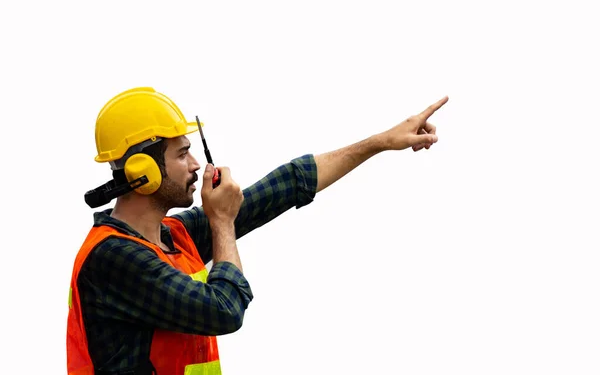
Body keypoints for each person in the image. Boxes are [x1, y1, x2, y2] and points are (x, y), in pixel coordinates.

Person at [66, 86, 448, 375]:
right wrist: (221, 222)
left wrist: (380, 142)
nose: (196, 165)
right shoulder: (114, 258)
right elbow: (224, 309)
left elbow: (281, 189)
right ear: (141, 170)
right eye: (182, 154)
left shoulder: (171, 236)